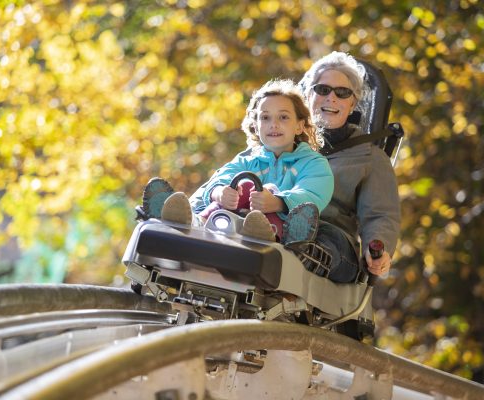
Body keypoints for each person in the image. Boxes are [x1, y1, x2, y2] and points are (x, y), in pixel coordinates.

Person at [142, 78, 334, 244]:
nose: (273, 124)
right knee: (241, 184)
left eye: (283, 117)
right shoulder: (248, 160)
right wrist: (220, 193)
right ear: (256, 126)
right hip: (230, 224)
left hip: (278, 228)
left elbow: (312, 193)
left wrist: (276, 202)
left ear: (300, 125)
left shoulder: (313, 163)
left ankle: (262, 231)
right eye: (265, 118)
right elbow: (223, 176)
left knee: (264, 190)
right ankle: (188, 221)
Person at [298, 51, 401, 280]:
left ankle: (300, 252)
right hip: (277, 226)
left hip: (331, 239)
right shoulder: (282, 143)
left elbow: (380, 215)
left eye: (342, 93)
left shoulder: (370, 157)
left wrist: (379, 246)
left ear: (353, 103)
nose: (331, 98)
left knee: (315, 244)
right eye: (322, 90)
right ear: (307, 94)